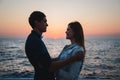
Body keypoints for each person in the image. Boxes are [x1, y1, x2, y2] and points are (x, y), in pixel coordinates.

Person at [25, 11, 84, 80]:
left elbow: (46, 62)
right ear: (37, 22)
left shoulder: (35, 39)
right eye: (44, 21)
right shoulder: (35, 41)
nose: (47, 24)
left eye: (68, 29)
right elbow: (50, 67)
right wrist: (73, 58)